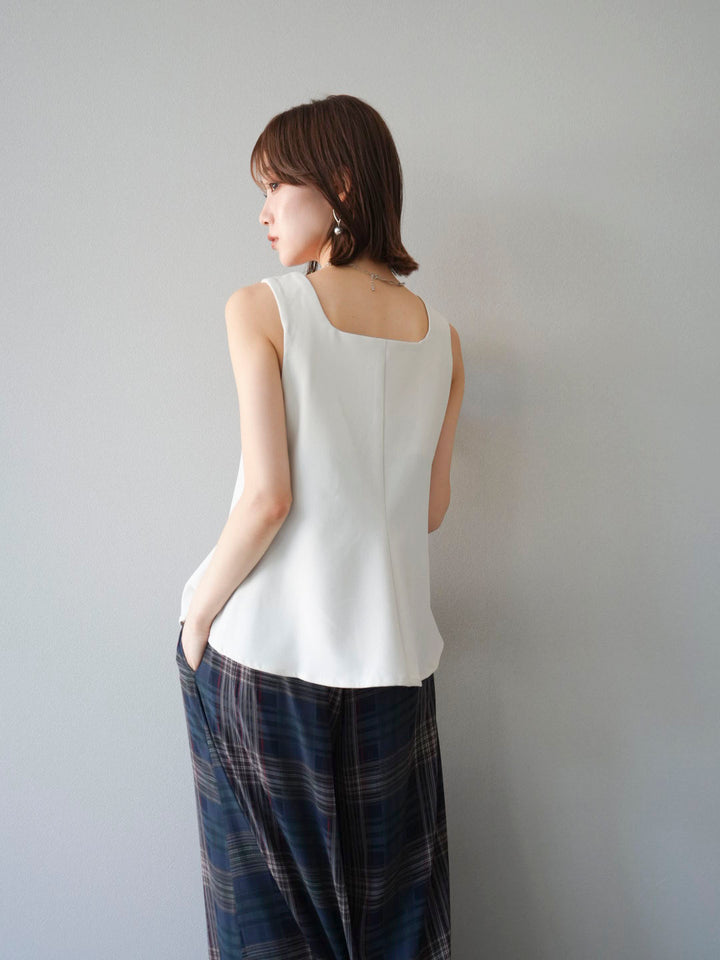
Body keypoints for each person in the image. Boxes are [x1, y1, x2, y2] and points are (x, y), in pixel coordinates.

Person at [175, 93, 464, 960]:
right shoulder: (443, 338)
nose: (264, 212)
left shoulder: (260, 308)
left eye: (276, 186)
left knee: (266, 925)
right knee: (394, 928)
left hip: (267, 665)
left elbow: (269, 498)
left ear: (339, 184)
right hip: (393, 670)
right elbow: (430, 511)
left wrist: (197, 614)